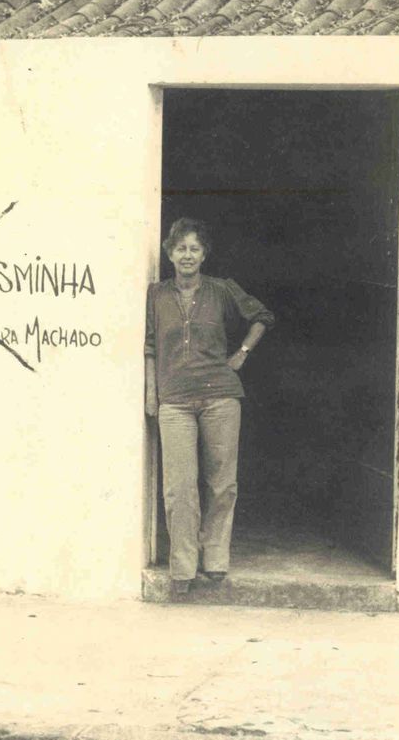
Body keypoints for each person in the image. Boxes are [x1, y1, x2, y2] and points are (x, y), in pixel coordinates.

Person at [144, 218, 275, 597]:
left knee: (221, 482)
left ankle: (215, 556)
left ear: (204, 255)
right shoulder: (156, 295)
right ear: (170, 254)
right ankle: (183, 565)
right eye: (180, 248)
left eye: (194, 249)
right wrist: (152, 393)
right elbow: (149, 345)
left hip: (220, 396)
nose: (187, 255)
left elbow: (262, 317)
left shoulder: (221, 289)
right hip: (174, 400)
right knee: (179, 486)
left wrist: (242, 353)